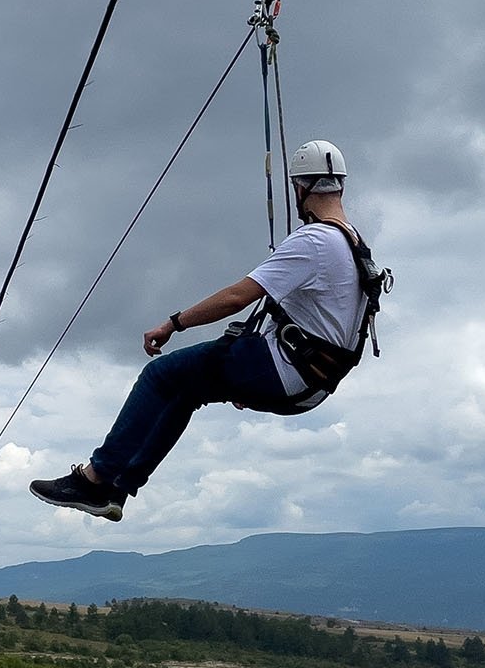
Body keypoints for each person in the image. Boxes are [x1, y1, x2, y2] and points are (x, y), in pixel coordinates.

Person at [31, 138, 384, 521]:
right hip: (310, 379)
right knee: (187, 390)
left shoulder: (314, 241)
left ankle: (95, 478)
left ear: (300, 188)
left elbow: (236, 298)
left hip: (284, 367)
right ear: (340, 185)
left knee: (159, 374)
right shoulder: (354, 243)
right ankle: (117, 488)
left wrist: (173, 323)